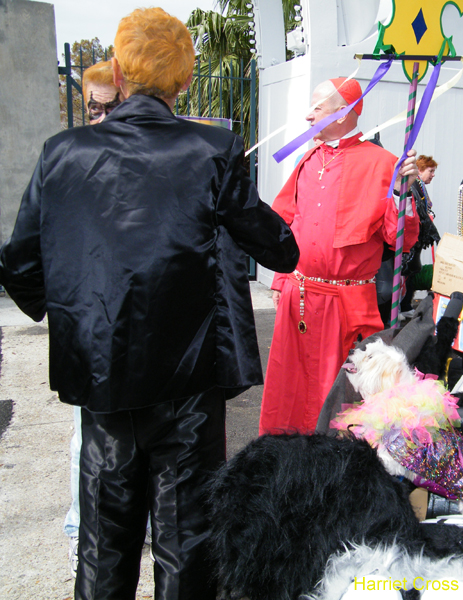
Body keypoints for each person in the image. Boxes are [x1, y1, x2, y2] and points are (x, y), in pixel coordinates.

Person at [0, 8, 299, 599]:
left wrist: (77, 310)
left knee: (103, 540)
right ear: (184, 81)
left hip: (104, 376)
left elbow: (20, 264)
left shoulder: (62, 152)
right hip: (187, 378)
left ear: (117, 69)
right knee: (187, 540)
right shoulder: (213, 148)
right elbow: (277, 248)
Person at [259, 77, 421, 436]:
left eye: (317, 107)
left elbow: (402, 237)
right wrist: (281, 279)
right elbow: (285, 221)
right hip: (299, 298)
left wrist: (402, 196)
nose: (308, 115)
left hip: (344, 304)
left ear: (344, 111)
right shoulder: (309, 157)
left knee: (339, 397)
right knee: (290, 389)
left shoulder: (383, 164)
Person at [62, 60, 123, 579]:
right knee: (94, 458)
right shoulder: (72, 158)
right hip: (92, 333)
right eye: (93, 109)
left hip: (143, 338)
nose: (101, 119)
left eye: (111, 107)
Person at [399, 155, 440, 316]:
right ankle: (401, 305)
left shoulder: (420, 187)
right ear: (420, 170)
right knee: (406, 271)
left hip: (416, 237)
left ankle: (406, 304)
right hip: (411, 238)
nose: (433, 174)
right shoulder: (414, 186)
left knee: (412, 270)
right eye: (431, 171)